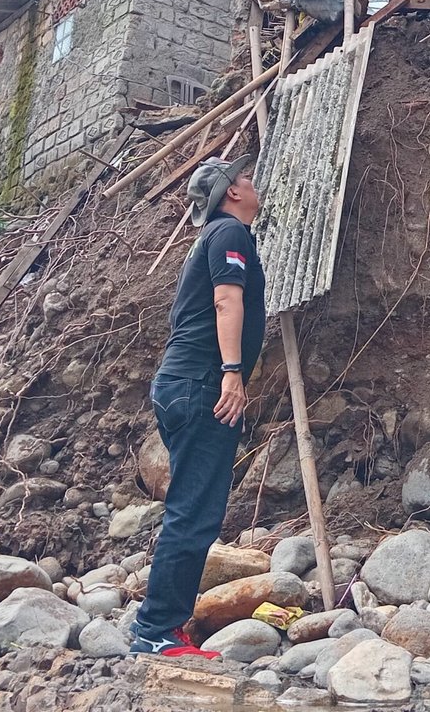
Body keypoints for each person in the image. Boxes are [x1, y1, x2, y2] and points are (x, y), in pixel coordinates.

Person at [130, 155, 266, 658]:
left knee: (192, 508)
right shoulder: (230, 232)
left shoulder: (208, 239)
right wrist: (232, 373)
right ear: (231, 192)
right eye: (245, 178)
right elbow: (226, 302)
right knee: (194, 512)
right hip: (202, 383)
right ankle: (155, 631)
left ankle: (164, 626)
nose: (252, 183)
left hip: (183, 384)